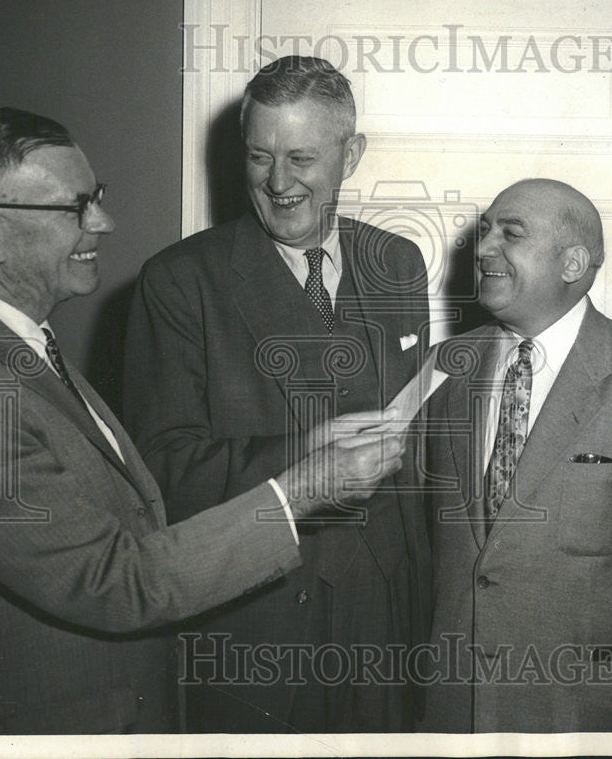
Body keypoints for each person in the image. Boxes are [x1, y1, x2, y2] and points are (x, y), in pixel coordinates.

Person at [0, 107, 403, 734]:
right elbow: (113, 580)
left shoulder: (15, 345)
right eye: (76, 208)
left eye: (97, 197)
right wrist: (305, 488)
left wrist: (306, 448)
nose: (105, 221)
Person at [123, 56, 431, 733]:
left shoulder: (400, 262)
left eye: (301, 158)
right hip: (259, 616)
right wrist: (305, 462)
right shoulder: (179, 282)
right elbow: (161, 468)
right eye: (259, 157)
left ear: (351, 155)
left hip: (385, 618)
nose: (278, 182)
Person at [420, 178, 612, 732]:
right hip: (451, 713)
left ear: (573, 263)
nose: (482, 248)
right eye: (485, 232)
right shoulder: (444, 366)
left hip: (583, 718)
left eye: (511, 233)